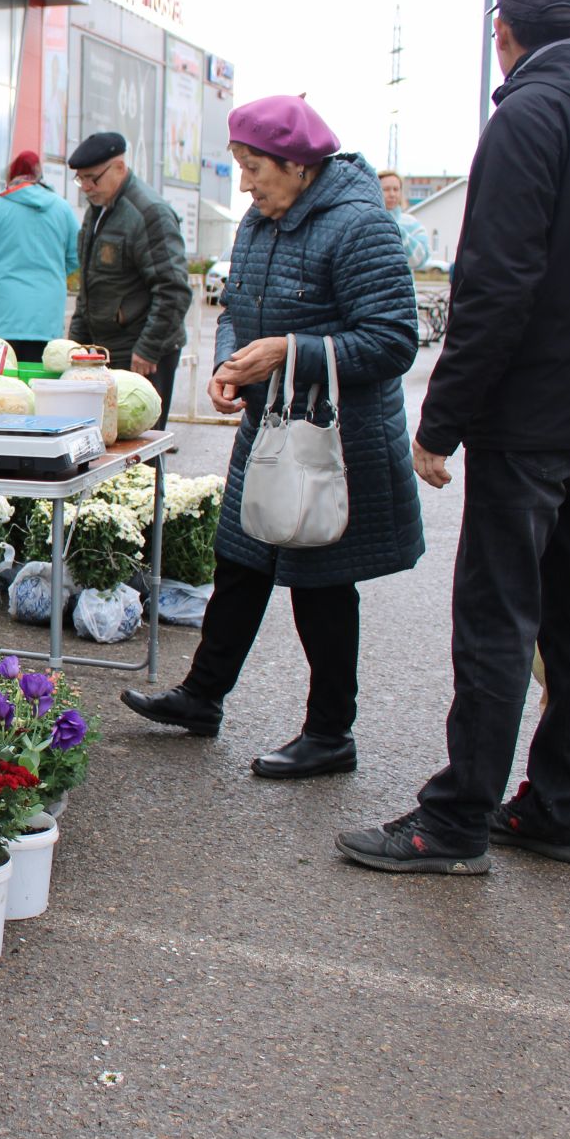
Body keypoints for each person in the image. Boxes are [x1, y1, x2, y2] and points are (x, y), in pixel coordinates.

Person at [339, 0, 570, 874]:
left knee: (499, 616)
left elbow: (495, 285)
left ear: (504, 31)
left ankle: (456, 823)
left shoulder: (528, 116)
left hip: (533, 414)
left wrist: (441, 420)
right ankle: (562, 809)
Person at [121, 95, 423, 779]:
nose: (247, 185)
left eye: (255, 168)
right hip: (270, 429)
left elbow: (393, 340)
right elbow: (234, 311)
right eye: (240, 169)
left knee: (322, 584)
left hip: (332, 440)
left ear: (299, 163)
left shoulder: (359, 225)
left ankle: (330, 734)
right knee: (242, 563)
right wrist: (233, 362)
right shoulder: (261, 221)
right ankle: (202, 698)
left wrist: (288, 352)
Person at [66, 132, 194, 417]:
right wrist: (76, 345)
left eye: (92, 178)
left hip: (142, 352)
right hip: (107, 349)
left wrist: (148, 348)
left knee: (140, 445)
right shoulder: (97, 211)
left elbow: (173, 289)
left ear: (120, 168)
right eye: (80, 179)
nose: (86, 187)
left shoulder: (149, 213)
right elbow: (91, 285)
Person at [0, 151, 79, 364]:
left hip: (4, 313)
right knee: (41, 380)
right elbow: (76, 257)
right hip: (47, 314)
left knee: (4, 379)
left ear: (11, 175)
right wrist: (55, 273)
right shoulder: (63, 208)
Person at [378, 170, 432, 269]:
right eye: (386, 189)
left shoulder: (412, 222)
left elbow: (420, 260)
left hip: (403, 284)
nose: (392, 194)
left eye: (396, 189)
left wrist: (394, 229)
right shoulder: (367, 222)